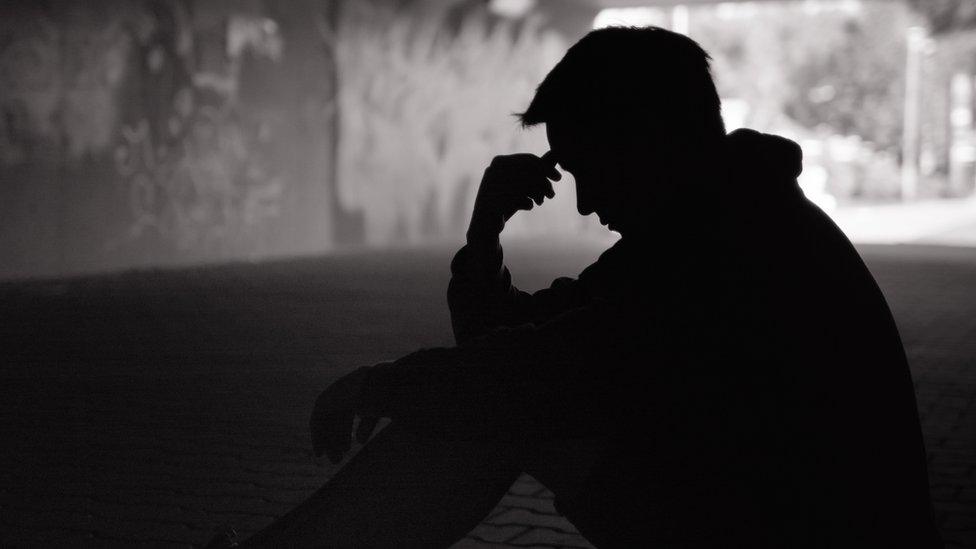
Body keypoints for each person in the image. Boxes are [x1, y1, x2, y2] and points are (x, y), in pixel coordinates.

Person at [219, 26, 942, 548]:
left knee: (496, 408)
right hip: (764, 513)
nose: (586, 203)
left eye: (585, 166)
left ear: (642, 141)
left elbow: (538, 373)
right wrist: (484, 236)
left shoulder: (725, 240)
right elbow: (529, 349)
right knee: (495, 403)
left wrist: (379, 384)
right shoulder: (717, 216)